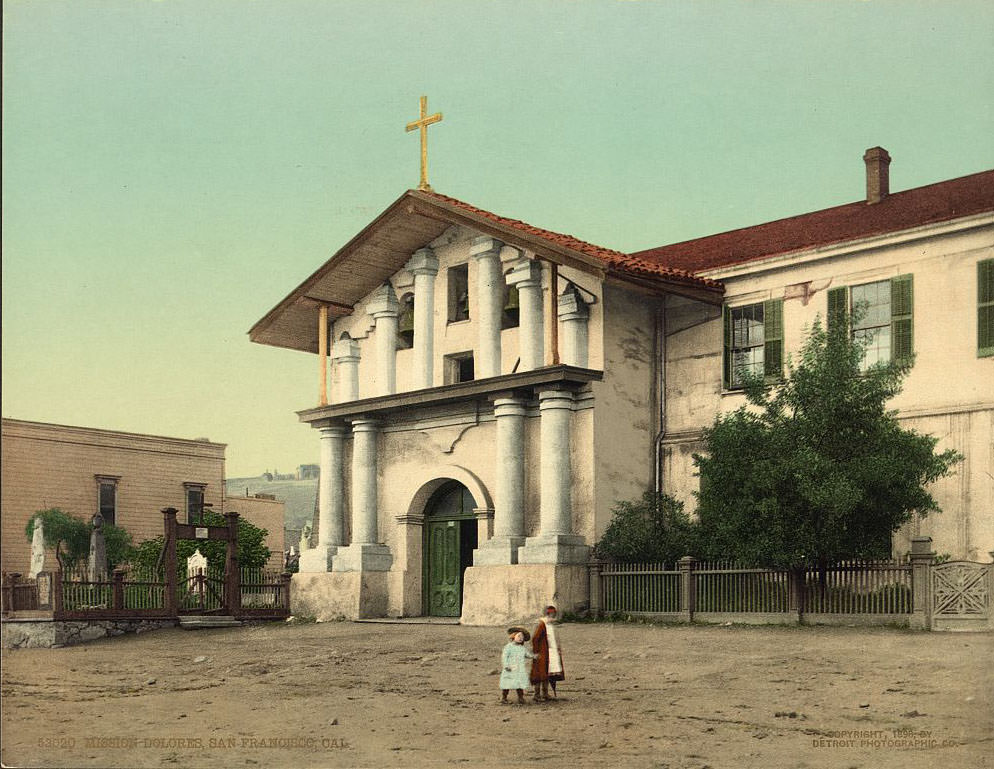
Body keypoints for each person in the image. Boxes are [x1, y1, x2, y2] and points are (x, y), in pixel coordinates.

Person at [530, 605, 565, 701]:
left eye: (553, 616)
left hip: (552, 652)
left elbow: (553, 638)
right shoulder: (541, 624)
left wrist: (557, 648)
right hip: (543, 652)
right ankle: (536, 694)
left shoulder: (551, 626)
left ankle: (545, 693)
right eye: (550, 616)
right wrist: (536, 651)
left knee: (548, 672)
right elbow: (535, 638)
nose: (552, 618)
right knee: (540, 672)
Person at [499, 627, 534, 704]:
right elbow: (504, 657)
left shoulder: (522, 648)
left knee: (519, 684)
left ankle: (520, 698)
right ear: (513, 636)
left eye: (522, 637)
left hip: (519, 669)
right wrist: (506, 665)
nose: (521, 638)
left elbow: (527, 655)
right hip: (510, 669)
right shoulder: (508, 647)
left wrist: (534, 656)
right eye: (519, 636)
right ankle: (504, 697)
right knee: (507, 684)